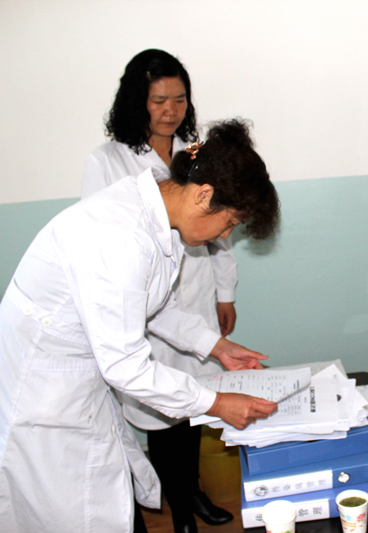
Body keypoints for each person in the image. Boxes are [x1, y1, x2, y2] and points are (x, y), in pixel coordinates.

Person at [0, 119, 280, 533]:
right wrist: (213, 403)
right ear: (203, 195)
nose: (225, 234)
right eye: (230, 223)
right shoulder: (118, 237)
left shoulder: (155, 215)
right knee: (53, 511)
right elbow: (126, 366)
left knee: (97, 501)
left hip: (72, 382)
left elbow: (152, 307)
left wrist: (216, 346)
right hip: (36, 396)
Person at [82, 49, 240, 532]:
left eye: (179, 99)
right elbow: (101, 243)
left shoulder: (195, 153)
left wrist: (225, 291)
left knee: (195, 402)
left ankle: (192, 491)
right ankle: (179, 509)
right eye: (158, 100)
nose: (170, 110)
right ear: (138, 102)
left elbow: (220, 231)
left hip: (195, 296)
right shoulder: (108, 161)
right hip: (143, 305)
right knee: (161, 411)